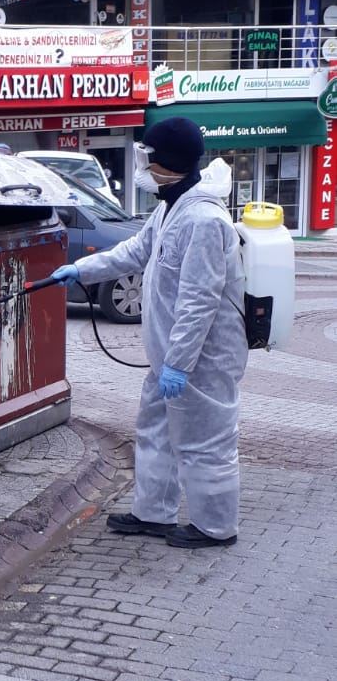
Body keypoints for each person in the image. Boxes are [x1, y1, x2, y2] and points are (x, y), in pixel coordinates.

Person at [52, 116, 248, 549]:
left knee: (204, 439)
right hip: (169, 355)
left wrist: (179, 364)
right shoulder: (169, 208)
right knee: (156, 430)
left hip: (201, 359)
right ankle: (153, 513)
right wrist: (81, 268)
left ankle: (215, 527)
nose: (142, 166)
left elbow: (200, 302)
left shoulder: (203, 221)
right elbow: (133, 251)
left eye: (149, 158)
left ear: (169, 163)